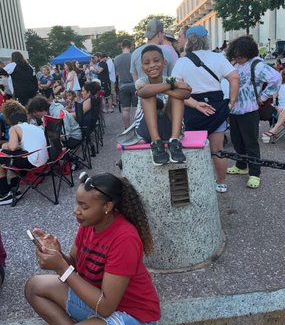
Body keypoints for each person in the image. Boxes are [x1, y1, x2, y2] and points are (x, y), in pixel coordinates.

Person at [24, 171, 161, 325]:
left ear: (107, 206)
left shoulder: (125, 238)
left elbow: (106, 307)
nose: (76, 210)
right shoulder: (90, 223)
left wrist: (61, 268)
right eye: (77, 203)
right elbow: (74, 265)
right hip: (97, 301)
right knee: (34, 287)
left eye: (84, 206)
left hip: (132, 315)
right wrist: (57, 254)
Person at [171, 25, 240, 193]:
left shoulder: (182, 62)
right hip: (216, 106)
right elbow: (234, 77)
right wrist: (231, 101)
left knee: (193, 149)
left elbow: (174, 87)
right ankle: (221, 182)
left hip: (192, 106)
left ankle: (197, 183)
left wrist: (193, 103)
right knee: (218, 150)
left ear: (188, 40)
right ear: (206, 39)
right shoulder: (218, 58)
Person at [120, 45, 191, 165]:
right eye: (147, 63)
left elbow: (186, 93)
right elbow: (143, 92)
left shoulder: (169, 79)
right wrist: (171, 86)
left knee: (177, 97)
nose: (152, 65)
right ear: (142, 68)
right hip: (146, 129)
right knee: (148, 96)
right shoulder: (142, 82)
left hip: (169, 126)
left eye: (156, 61)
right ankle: (156, 143)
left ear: (164, 63)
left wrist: (167, 88)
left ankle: (174, 141)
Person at [225, 36, 281, 189]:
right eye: (234, 55)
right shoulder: (237, 64)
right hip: (234, 110)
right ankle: (241, 166)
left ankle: (255, 173)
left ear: (247, 52)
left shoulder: (256, 64)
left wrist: (263, 96)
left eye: (239, 55)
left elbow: (276, 78)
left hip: (249, 110)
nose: (236, 57)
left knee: (250, 143)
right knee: (237, 140)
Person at [0, 100, 48, 206]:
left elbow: (12, 147)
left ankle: (5, 194)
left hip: (32, 162)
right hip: (45, 161)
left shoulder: (14, 128)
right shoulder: (34, 127)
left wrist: (4, 146)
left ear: (9, 119)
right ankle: (15, 189)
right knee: (12, 158)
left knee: (3, 155)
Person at [114, 39, 138, 129]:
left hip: (123, 85)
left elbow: (116, 74)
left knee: (125, 109)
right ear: (130, 46)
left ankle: (127, 129)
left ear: (122, 46)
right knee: (136, 108)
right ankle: (137, 128)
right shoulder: (134, 56)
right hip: (135, 84)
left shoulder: (116, 59)